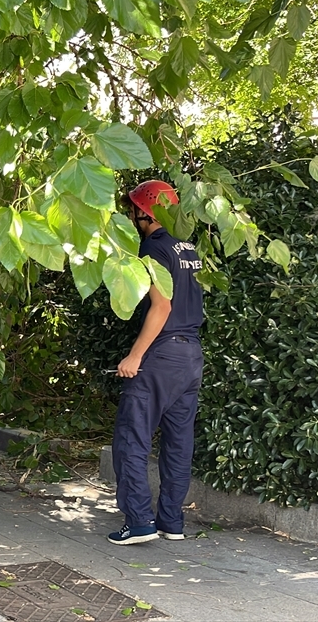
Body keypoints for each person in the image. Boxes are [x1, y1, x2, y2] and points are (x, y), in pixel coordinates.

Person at [108, 180, 204, 546]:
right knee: (178, 443)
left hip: (161, 354)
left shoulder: (152, 246)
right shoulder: (187, 248)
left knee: (132, 438)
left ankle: (140, 523)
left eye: (132, 210)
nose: (130, 215)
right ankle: (171, 522)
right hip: (191, 355)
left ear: (143, 212)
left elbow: (161, 306)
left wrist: (135, 356)